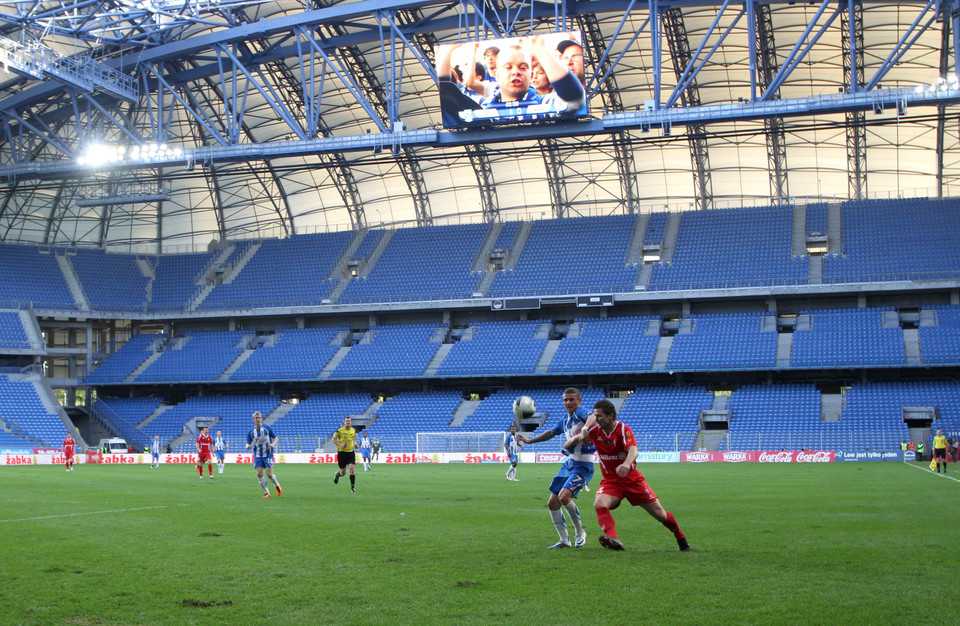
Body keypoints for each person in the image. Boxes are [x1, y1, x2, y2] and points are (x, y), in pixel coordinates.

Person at [569, 399, 689, 552]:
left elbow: (633, 449)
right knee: (599, 503)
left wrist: (626, 464)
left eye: (600, 416)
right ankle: (614, 539)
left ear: (611, 416)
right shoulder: (594, 431)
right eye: (596, 416)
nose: (596, 419)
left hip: (632, 480)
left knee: (660, 515)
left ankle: (679, 535)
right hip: (611, 481)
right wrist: (579, 434)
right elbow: (583, 430)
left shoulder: (623, 429)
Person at [516, 388, 593, 549]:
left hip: (583, 465)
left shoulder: (581, 413)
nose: (568, 403)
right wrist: (530, 442)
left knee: (564, 497)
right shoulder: (565, 420)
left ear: (580, 401)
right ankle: (564, 540)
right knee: (553, 502)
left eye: (572, 399)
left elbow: (592, 416)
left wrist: (585, 428)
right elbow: (550, 433)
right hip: (569, 464)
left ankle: (580, 532)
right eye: (565, 400)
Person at [246, 411, 282, 498]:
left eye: (259, 418)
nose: (258, 419)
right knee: (259, 474)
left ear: (261, 419)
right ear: (253, 420)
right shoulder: (251, 432)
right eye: (256, 418)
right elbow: (248, 443)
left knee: (269, 474)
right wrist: (248, 446)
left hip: (268, 454)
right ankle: (267, 492)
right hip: (258, 455)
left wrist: (273, 444)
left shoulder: (267, 428)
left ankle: (277, 484)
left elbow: (276, 438)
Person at [332, 416, 358, 492]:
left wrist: (355, 444)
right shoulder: (339, 431)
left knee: (352, 469)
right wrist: (340, 445)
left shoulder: (353, 430)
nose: (348, 422)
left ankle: (352, 488)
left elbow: (354, 439)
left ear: (351, 422)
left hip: (351, 452)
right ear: (344, 422)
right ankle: (337, 474)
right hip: (342, 453)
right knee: (343, 472)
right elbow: (333, 439)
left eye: (349, 421)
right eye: (346, 421)